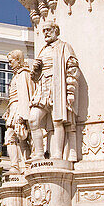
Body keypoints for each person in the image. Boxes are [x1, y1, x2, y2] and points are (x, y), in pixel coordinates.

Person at [28, 20, 81, 162]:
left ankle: (57, 154)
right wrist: (35, 70)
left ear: (56, 31)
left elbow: (72, 69)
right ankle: (39, 154)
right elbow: (34, 77)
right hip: (42, 88)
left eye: (48, 29)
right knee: (33, 120)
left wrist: (70, 91)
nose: (45, 32)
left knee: (58, 121)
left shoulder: (64, 47)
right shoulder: (43, 50)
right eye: (43, 30)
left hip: (57, 86)